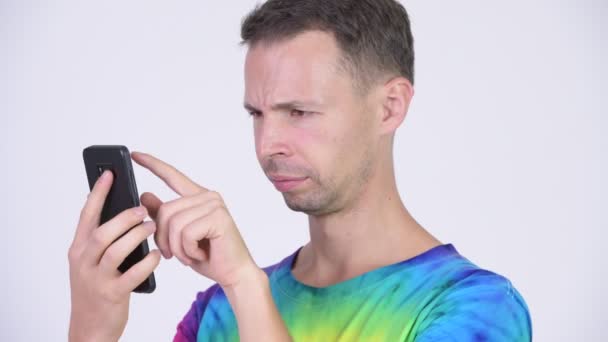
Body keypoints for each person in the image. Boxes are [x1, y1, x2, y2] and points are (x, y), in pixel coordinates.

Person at [68, 0, 532, 341]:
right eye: (257, 114)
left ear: (389, 107)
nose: (268, 145)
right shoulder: (219, 313)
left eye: (299, 112)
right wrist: (94, 325)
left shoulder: (474, 309)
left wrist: (247, 285)